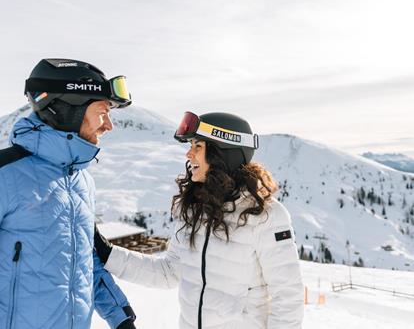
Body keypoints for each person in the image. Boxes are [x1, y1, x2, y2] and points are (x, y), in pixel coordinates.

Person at [95, 111, 304, 328]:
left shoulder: (265, 215)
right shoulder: (195, 211)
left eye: (198, 147)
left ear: (222, 153)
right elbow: (169, 272)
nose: (189, 154)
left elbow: (287, 296)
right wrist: (108, 253)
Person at [0, 58, 137, 329]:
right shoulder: (6, 173)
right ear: (67, 109)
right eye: (102, 112)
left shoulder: (82, 180)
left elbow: (88, 263)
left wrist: (121, 317)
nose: (108, 125)